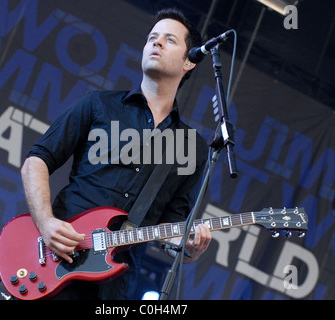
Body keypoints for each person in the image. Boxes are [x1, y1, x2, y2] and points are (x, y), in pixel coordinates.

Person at [20, 8, 212, 300]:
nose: (156, 43)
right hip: (56, 259)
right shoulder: (99, 105)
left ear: (189, 61)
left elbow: (170, 230)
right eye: (152, 38)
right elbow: (36, 161)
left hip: (113, 288)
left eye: (169, 40)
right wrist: (46, 223)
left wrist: (189, 250)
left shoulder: (192, 147)